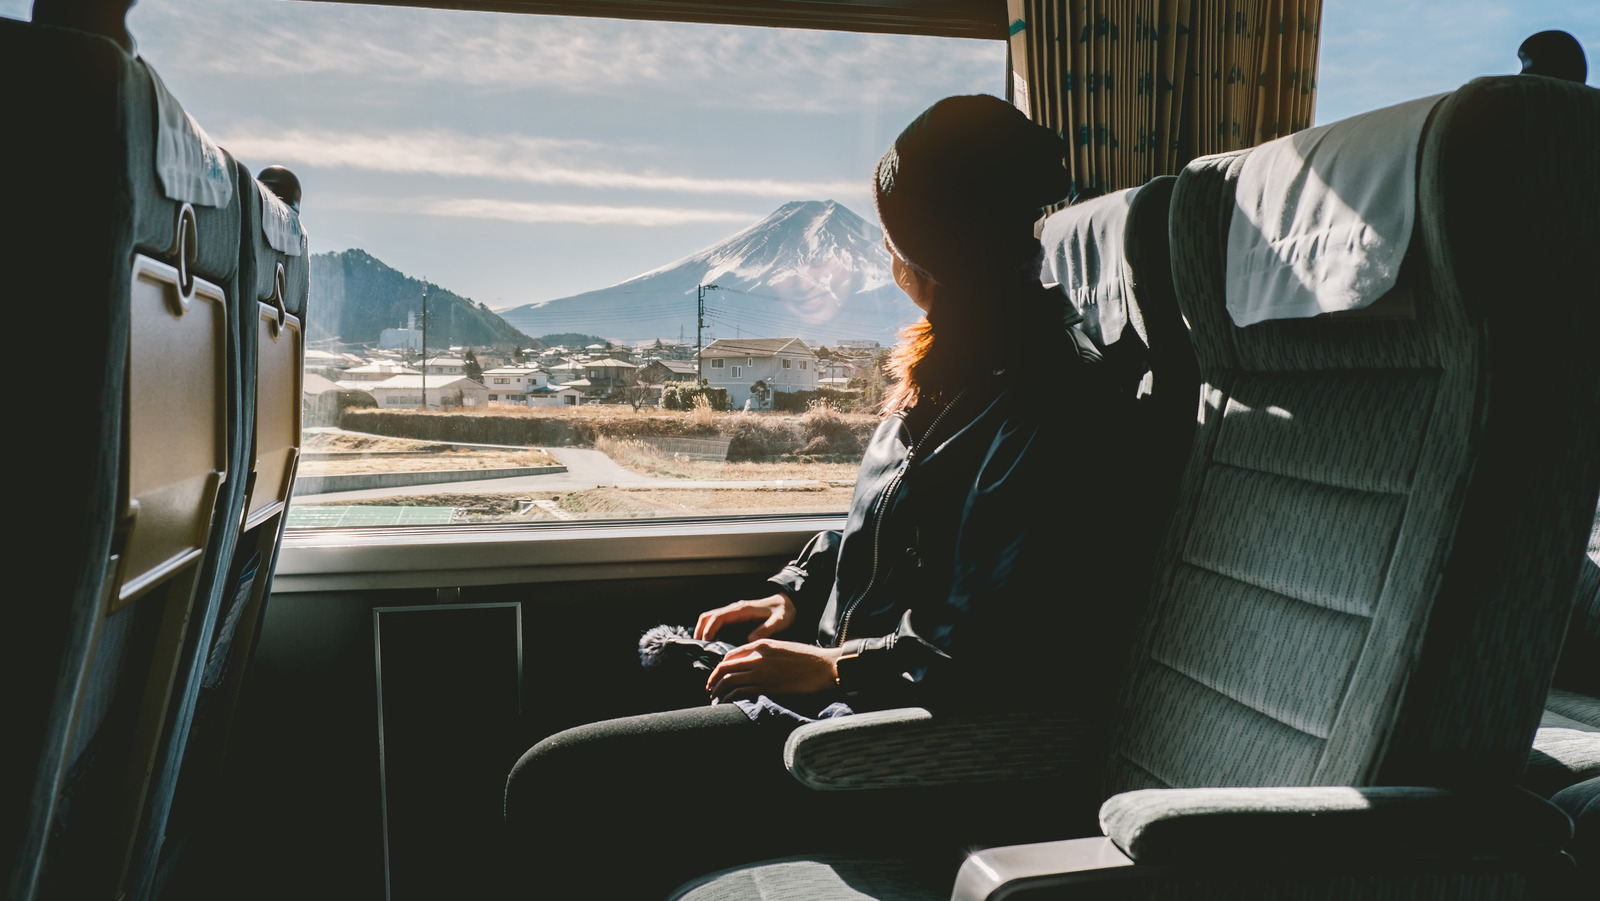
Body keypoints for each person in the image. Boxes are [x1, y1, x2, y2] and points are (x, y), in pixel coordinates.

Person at [504, 94, 1136, 897]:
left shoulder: (1047, 402)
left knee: (555, 784)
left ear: (939, 252)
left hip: (888, 748)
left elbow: (982, 643)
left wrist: (832, 668)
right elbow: (898, 528)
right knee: (583, 691)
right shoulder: (953, 370)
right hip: (849, 698)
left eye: (897, 237)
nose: (887, 253)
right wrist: (796, 593)